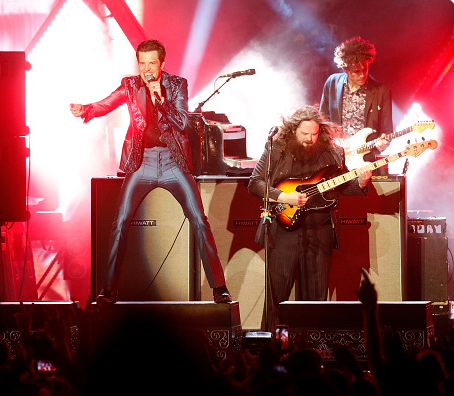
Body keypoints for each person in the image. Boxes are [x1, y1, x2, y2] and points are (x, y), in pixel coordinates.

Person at [70, 39, 232, 304]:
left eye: (151, 63)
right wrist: (87, 109)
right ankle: (108, 290)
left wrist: (160, 98)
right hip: (141, 162)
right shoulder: (130, 85)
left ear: (162, 64)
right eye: (142, 62)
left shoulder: (177, 84)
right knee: (120, 222)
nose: (146, 68)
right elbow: (107, 103)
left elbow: (181, 121)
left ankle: (219, 287)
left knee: (199, 221)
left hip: (173, 162)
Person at [247, 105, 372, 332]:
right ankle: (273, 349)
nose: (309, 139)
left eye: (314, 134)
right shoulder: (277, 148)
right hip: (283, 232)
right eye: (305, 134)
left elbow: (343, 185)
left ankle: (312, 351)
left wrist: (361, 183)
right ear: (293, 130)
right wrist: (284, 196)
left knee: (315, 300)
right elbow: (255, 183)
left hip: (320, 230)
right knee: (277, 299)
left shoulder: (332, 152)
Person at [319, 36, 391, 169]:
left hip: (365, 160)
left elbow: (386, 131)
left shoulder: (381, 91)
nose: (362, 75)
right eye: (356, 71)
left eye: (365, 69)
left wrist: (384, 142)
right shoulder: (332, 83)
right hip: (335, 158)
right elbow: (321, 122)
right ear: (345, 69)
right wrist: (332, 146)